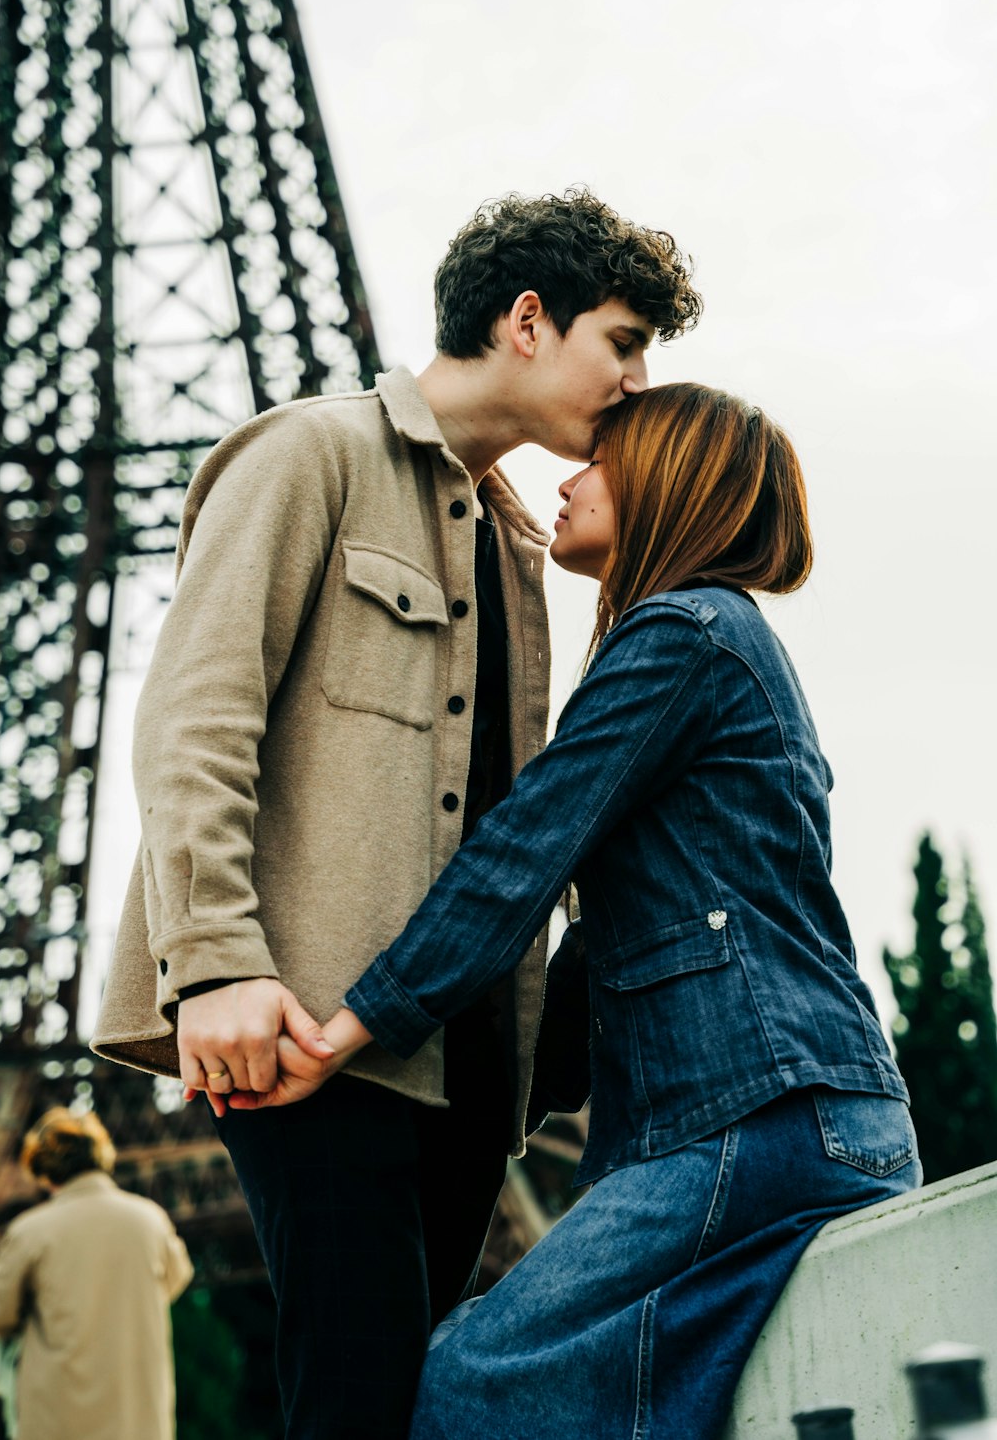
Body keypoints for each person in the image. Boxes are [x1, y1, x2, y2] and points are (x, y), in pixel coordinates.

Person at [90, 190, 702, 1438]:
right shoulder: (307, 456)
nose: (637, 381)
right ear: (528, 320)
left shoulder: (520, 543)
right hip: (305, 1026)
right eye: (624, 340)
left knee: (420, 1399)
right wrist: (211, 965)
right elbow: (195, 718)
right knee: (359, 1387)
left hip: (470, 1051)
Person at [256, 382, 923, 1439]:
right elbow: (600, 949)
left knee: (465, 1388)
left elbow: (521, 854)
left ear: (668, 482)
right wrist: (488, 1104)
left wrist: (355, 1027)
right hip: (803, 1114)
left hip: (749, 1121)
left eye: (600, 461)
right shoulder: (716, 644)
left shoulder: (680, 636)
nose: (565, 479)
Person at [0, 1107, 192, 1440]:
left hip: (57, 1421)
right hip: (140, 1422)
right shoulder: (150, 1220)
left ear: (43, 1168)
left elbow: (1, 1313)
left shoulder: (31, 1232)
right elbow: (177, 1279)